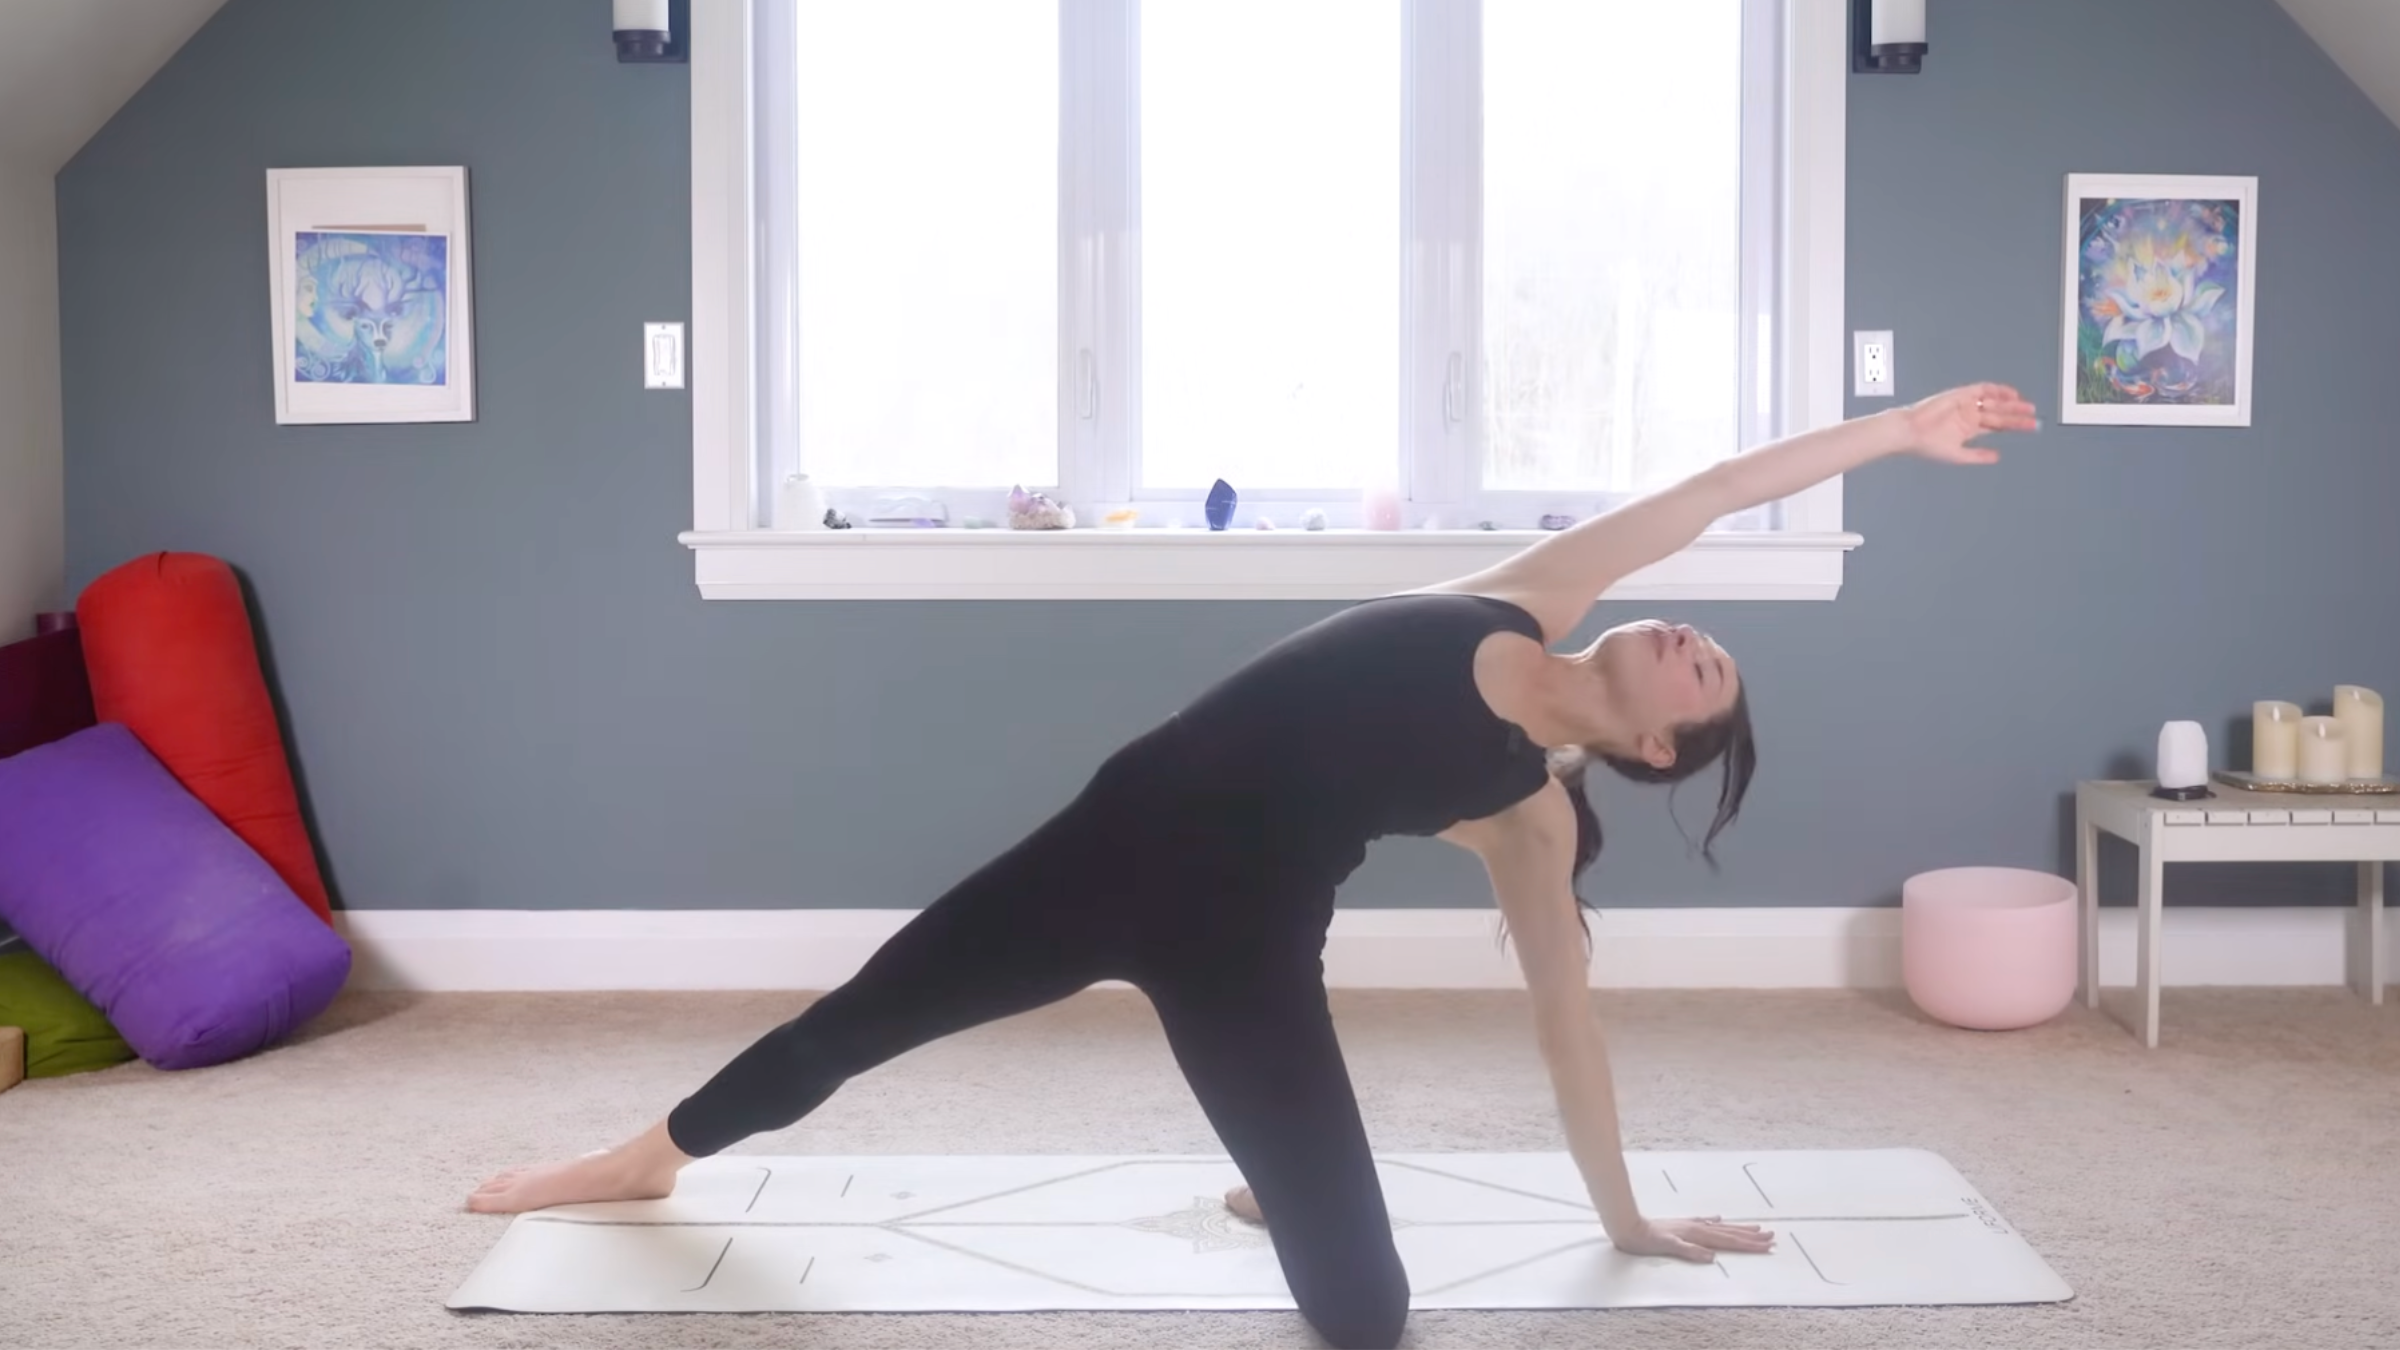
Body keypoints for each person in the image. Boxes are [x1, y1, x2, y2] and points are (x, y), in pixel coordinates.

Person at [467, 381, 2038, 1349]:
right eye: (1708, 643)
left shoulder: (1527, 812)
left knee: (1366, 1316)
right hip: (1100, 850)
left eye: (1711, 691)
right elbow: (1711, 493)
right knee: (855, 1023)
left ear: (1649, 754)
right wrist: (1898, 433)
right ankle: (648, 1150)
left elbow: (1568, 1020)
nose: (1702, 646)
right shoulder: (1525, 596)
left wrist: (1625, 1219)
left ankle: (1279, 1185)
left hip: (1243, 946)